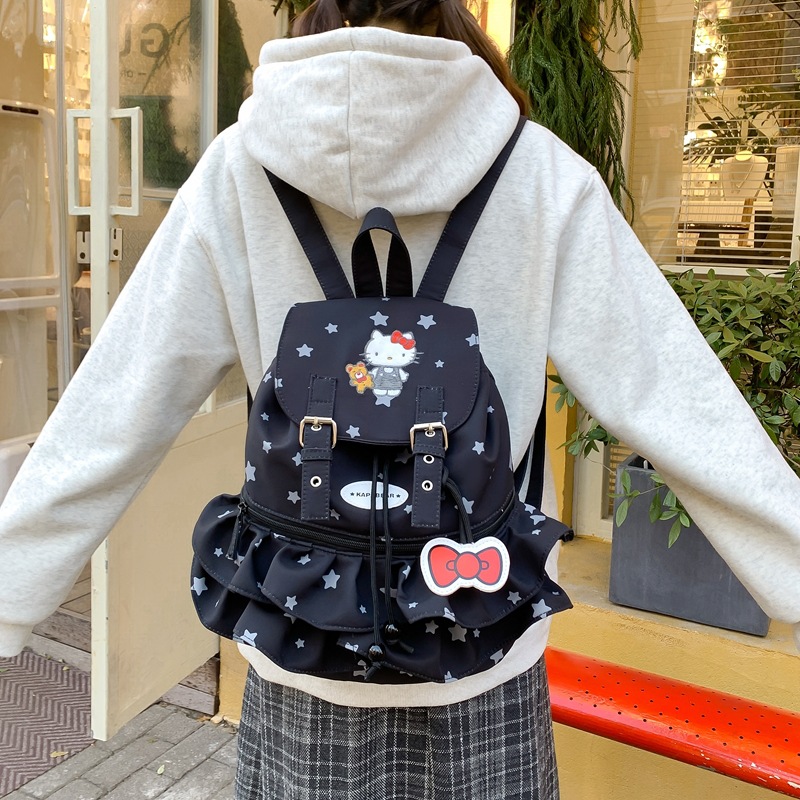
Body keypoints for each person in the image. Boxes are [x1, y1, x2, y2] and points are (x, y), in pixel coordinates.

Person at [1, 0, 799, 797]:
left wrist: (11, 593)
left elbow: (116, 407)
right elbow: (672, 394)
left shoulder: (236, 172)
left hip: (299, 650)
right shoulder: (542, 173)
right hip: (481, 647)